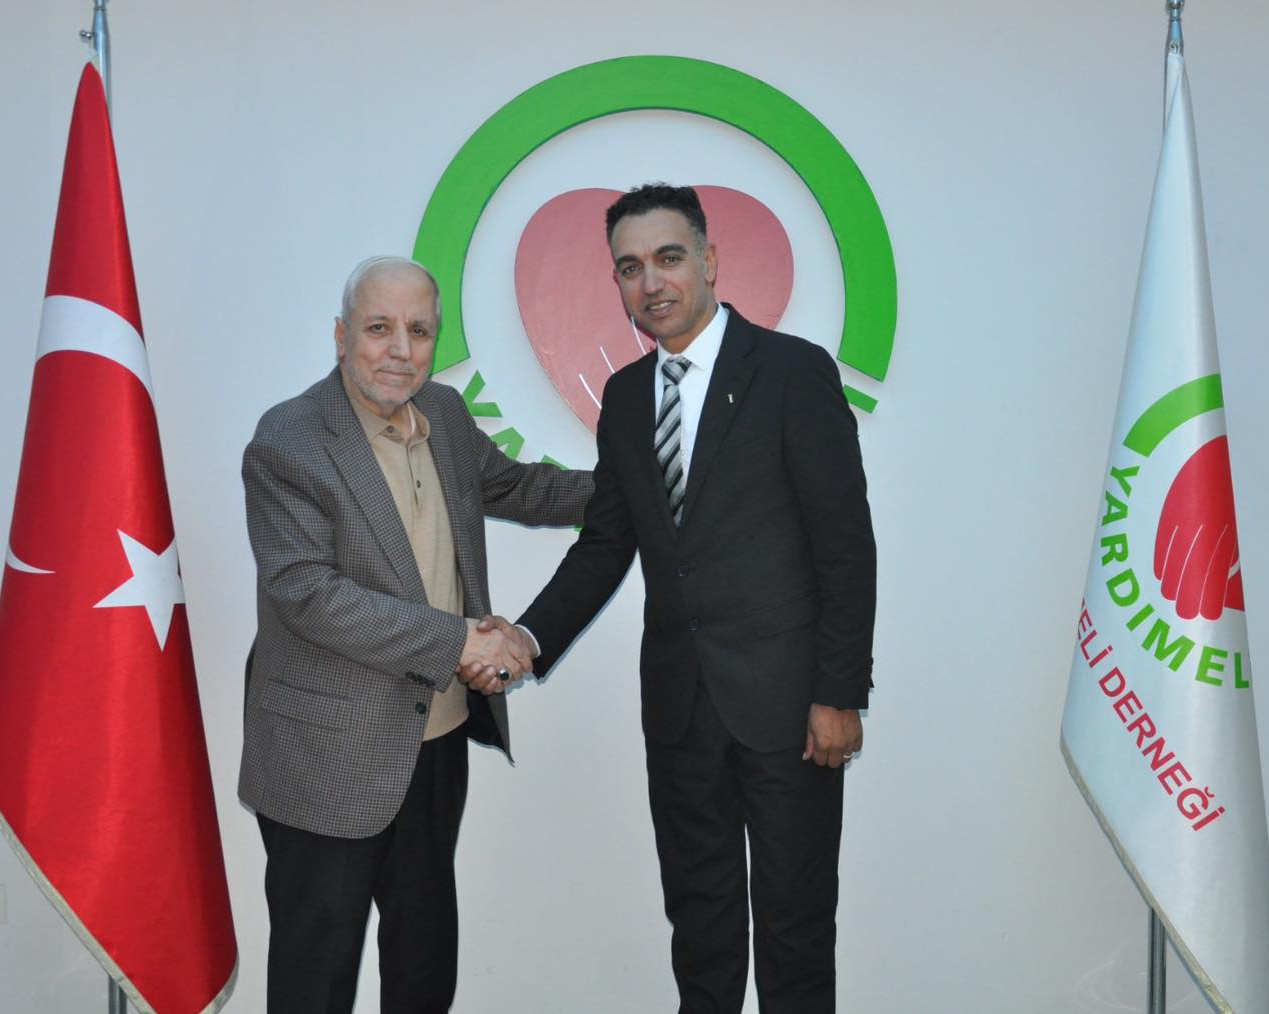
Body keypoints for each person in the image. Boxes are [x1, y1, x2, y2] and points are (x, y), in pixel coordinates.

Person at [513, 184, 877, 1011]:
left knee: (794, 931)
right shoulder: (625, 399)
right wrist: (528, 639)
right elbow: (607, 544)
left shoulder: (792, 373)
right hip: (680, 712)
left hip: (791, 712)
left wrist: (838, 693)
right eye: (630, 267)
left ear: (710, 261)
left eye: (669, 258)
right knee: (700, 931)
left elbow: (845, 547)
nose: (651, 282)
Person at [239, 256, 591, 1013]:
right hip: (328, 754)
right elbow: (307, 594)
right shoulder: (289, 440)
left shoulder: (446, 414)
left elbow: (517, 486)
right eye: (379, 328)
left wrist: (636, 493)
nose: (401, 349)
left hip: (436, 741)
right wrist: (461, 642)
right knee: (316, 975)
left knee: (424, 964)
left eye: (419, 330)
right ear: (341, 336)